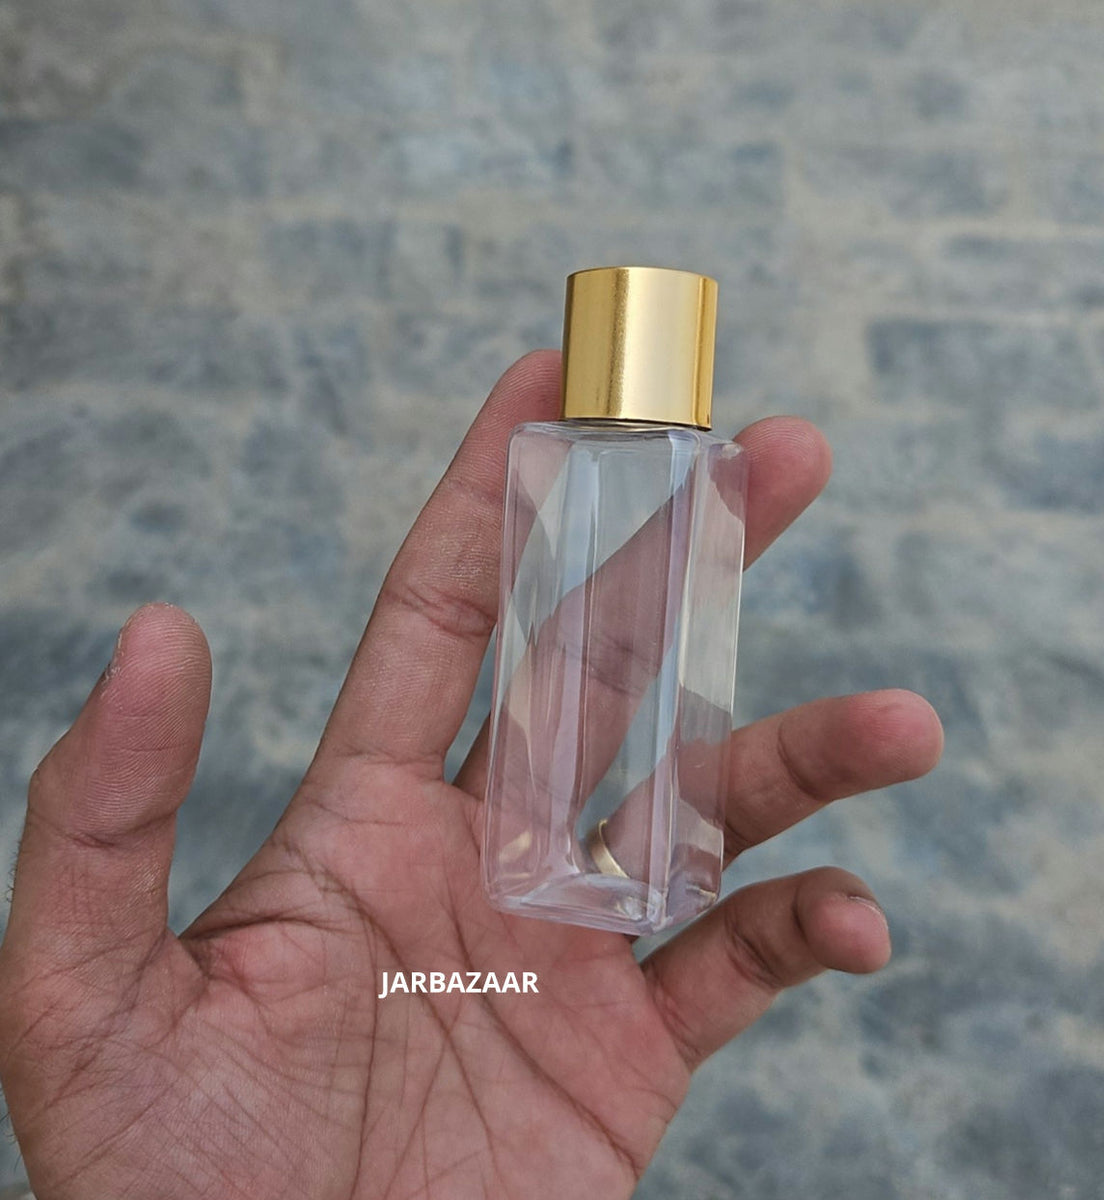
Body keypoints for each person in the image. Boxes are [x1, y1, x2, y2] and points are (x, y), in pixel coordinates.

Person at [0, 351, 943, 1199]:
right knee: (596, 678)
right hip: (523, 901)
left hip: (590, 906)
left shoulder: (697, 468)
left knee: (632, 692)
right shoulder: (556, 450)